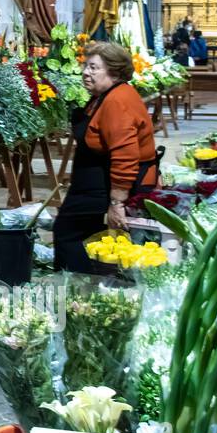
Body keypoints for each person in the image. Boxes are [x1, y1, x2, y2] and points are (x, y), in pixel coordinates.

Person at [52, 42, 162, 273]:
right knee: (92, 238)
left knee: (67, 233)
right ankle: (92, 285)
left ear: (113, 71)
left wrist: (116, 203)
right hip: (93, 184)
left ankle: (78, 286)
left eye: (93, 68)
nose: (85, 72)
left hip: (103, 187)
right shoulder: (106, 96)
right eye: (85, 66)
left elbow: (125, 154)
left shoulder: (117, 101)